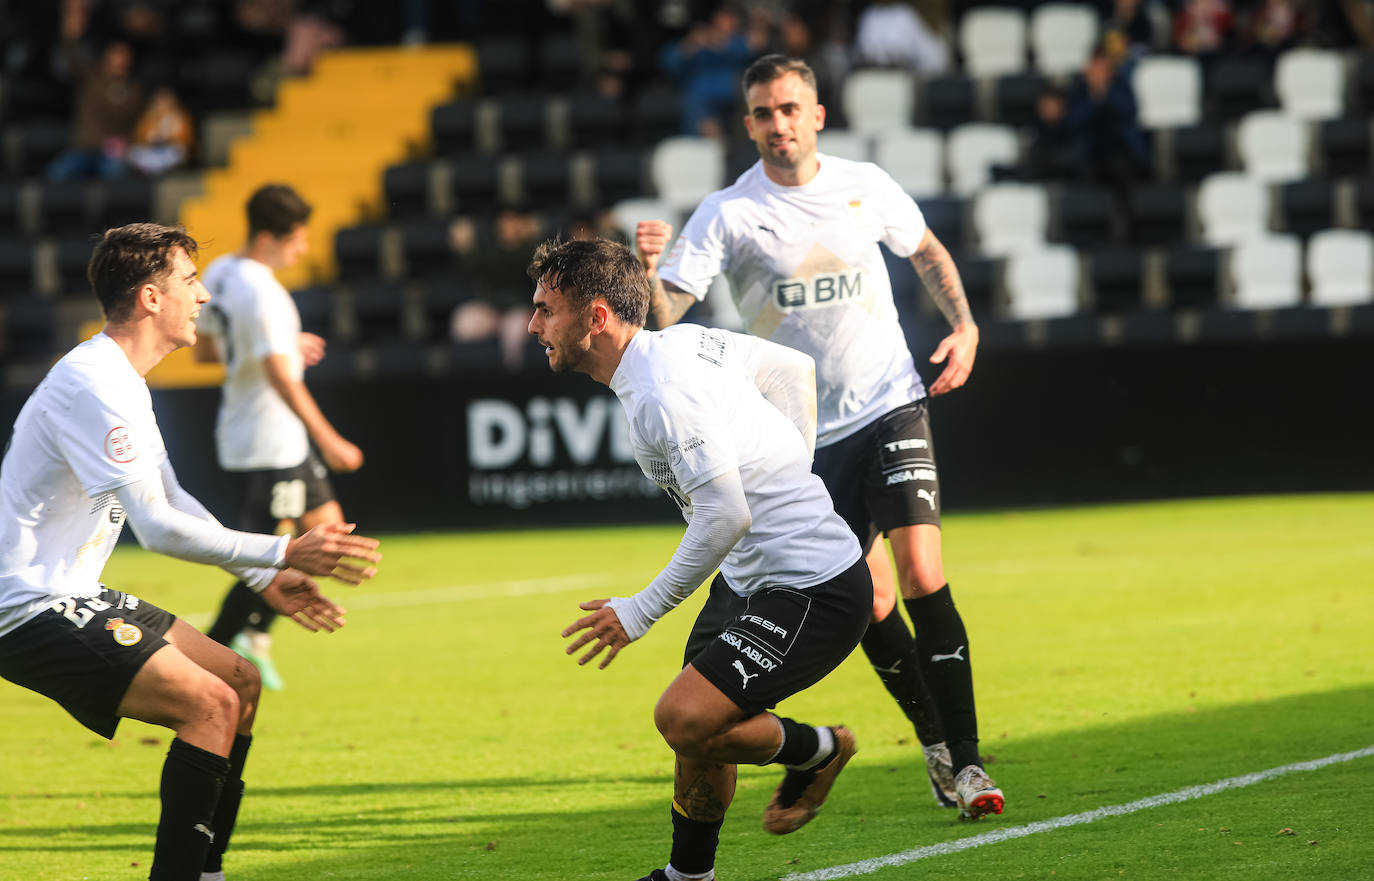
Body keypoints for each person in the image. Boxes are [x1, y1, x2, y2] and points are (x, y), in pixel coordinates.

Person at [634, 54, 1004, 820]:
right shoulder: (728, 213)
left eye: (791, 108)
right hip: (806, 439)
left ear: (817, 114)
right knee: (869, 599)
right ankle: (931, 741)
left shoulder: (863, 183)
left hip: (891, 404)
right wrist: (645, 272)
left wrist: (965, 325)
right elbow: (664, 316)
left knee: (920, 572)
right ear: (749, 125)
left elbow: (927, 249)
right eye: (764, 113)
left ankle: (967, 763)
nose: (779, 124)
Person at [0, 222, 382, 881]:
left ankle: (206, 870)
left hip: (70, 591)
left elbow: (173, 496)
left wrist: (264, 575)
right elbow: (159, 529)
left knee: (240, 680)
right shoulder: (95, 383)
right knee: (209, 704)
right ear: (151, 297)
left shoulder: (121, 379)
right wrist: (286, 549)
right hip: (27, 606)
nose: (202, 297)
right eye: (188, 281)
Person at [527, 237, 874, 881]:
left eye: (547, 309)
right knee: (699, 735)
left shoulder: (663, 391)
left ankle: (818, 750)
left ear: (596, 317)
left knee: (683, 717)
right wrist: (792, 467)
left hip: (812, 588)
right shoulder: (676, 343)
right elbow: (791, 369)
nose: (533, 324)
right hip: (747, 581)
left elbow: (725, 515)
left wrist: (639, 612)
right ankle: (690, 876)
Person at [193, 184, 364, 691]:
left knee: (330, 537)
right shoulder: (264, 292)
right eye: (296, 240)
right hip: (267, 443)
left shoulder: (221, 271)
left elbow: (206, 354)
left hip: (261, 437)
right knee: (269, 558)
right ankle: (217, 651)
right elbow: (279, 376)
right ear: (269, 237)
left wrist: (283, 343)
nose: (303, 250)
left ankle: (254, 638)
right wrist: (329, 439)